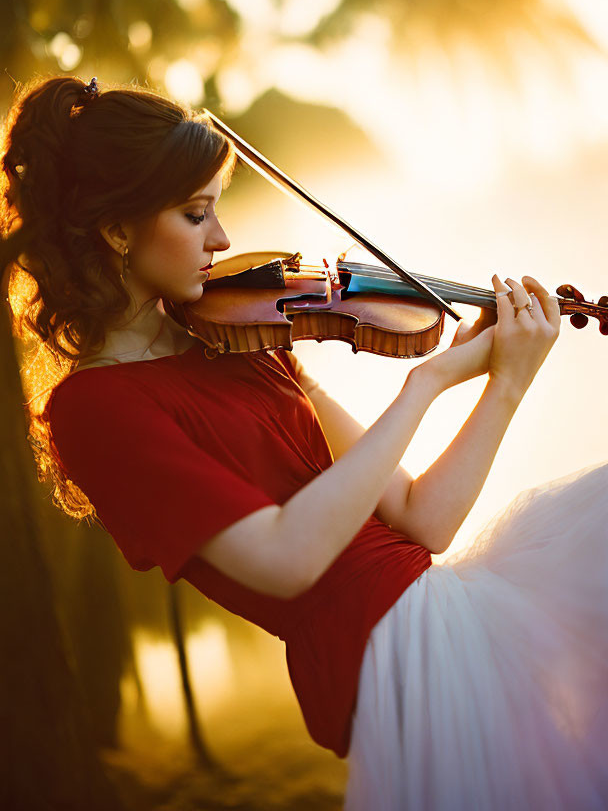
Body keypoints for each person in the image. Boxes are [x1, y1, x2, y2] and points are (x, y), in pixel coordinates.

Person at [1, 75, 606, 810]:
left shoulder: (245, 342)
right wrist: (426, 383)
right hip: (394, 657)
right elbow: (287, 557)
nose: (222, 241)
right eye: (195, 215)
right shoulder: (95, 410)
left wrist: (504, 383)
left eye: (218, 210)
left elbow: (424, 518)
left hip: (440, 609)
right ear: (117, 228)